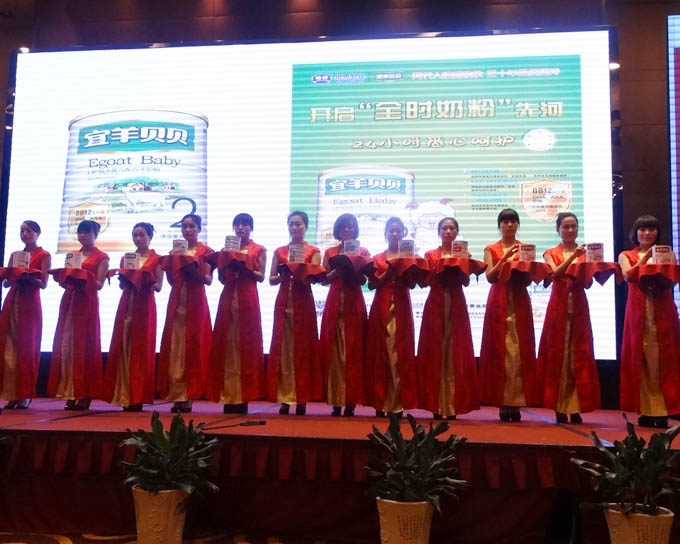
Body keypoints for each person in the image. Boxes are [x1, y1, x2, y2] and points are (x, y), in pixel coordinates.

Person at [537, 213, 600, 424]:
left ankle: (575, 406)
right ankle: (559, 406)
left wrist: (592, 265)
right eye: (566, 227)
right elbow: (554, 274)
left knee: (578, 357)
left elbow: (588, 284)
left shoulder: (585, 253)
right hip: (558, 308)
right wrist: (574, 258)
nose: (570, 230)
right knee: (559, 357)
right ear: (558, 230)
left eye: (573, 226)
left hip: (580, 308)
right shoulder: (550, 253)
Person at [619, 215, 680, 428]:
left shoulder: (667, 254)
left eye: (651, 229)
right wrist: (647, 258)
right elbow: (628, 276)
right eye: (642, 229)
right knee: (641, 360)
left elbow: (673, 280)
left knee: (663, 360)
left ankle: (662, 410)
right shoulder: (626, 255)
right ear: (635, 233)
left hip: (663, 312)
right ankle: (646, 409)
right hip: (637, 314)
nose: (647, 233)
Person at [479, 208, 539, 422]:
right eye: (505, 221)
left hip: (520, 299)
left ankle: (517, 401)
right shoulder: (491, 248)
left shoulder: (525, 248)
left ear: (517, 224)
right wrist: (505, 258)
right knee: (500, 351)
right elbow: (489, 276)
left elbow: (530, 279)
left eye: (513, 221)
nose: (509, 225)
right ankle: (503, 401)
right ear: (499, 225)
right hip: (499, 299)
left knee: (519, 351)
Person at [417, 217, 479, 420]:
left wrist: (458, 269)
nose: (448, 231)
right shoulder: (430, 254)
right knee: (434, 351)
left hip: (456, 303)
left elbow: (466, 282)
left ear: (457, 231)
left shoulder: (464, 253)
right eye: (445, 228)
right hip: (435, 302)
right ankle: (435, 404)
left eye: (452, 228)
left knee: (456, 350)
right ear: (439, 232)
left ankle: (452, 404)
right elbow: (425, 282)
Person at [208, 213, 266, 414]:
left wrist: (245, 268)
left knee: (246, 347)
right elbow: (222, 279)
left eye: (245, 225)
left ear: (251, 228)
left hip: (247, 298)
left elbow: (261, 276)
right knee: (226, 345)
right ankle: (228, 396)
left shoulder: (259, 250)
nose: (241, 228)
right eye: (237, 225)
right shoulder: (226, 250)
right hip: (228, 297)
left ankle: (243, 397)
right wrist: (224, 267)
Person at [48, 220, 109, 410]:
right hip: (69, 300)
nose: (83, 236)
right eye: (80, 232)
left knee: (85, 346)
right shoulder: (73, 255)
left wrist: (83, 277)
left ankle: (85, 393)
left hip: (87, 302)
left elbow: (99, 284)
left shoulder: (102, 257)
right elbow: (65, 281)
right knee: (67, 345)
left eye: (87, 232)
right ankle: (70, 391)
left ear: (95, 234)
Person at [266, 211, 321, 415]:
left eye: (298, 224)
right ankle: (284, 397)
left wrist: (301, 272)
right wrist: (284, 276)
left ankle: (301, 397)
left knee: (302, 350)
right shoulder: (280, 251)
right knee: (284, 349)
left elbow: (316, 276)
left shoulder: (313, 251)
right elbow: (271, 279)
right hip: (283, 302)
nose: (295, 227)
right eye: (292, 224)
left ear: (306, 227)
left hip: (303, 302)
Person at [103, 222, 163, 411]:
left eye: (142, 235)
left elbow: (159, 286)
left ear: (150, 237)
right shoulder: (126, 258)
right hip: (127, 303)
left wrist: (145, 280)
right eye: (135, 235)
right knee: (123, 346)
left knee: (140, 349)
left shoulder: (157, 259)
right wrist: (124, 279)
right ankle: (123, 394)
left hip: (144, 305)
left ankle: (137, 396)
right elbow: (122, 286)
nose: (138, 239)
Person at [157, 214, 213, 413]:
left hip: (196, 301)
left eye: (192, 226)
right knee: (175, 346)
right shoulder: (174, 251)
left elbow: (208, 280)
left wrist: (193, 272)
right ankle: (176, 393)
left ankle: (189, 394)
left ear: (199, 229)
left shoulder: (206, 252)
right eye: (185, 226)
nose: (188, 230)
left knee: (192, 347)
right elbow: (172, 280)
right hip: (176, 300)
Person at [365, 217, 417, 417]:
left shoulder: (410, 256)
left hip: (402, 306)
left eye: (398, 231)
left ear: (404, 233)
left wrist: (407, 267)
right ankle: (381, 402)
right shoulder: (377, 258)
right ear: (386, 233)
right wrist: (390, 271)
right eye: (391, 231)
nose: (395, 234)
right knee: (381, 353)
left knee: (399, 353)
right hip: (381, 306)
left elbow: (412, 284)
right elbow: (372, 285)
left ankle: (397, 403)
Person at [319, 213, 369, 417]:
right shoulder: (330, 252)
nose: (347, 230)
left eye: (351, 226)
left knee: (353, 351)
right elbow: (323, 279)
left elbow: (364, 280)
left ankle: (351, 401)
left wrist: (353, 271)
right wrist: (335, 272)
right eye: (343, 227)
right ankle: (336, 400)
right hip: (334, 302)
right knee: (333, 351)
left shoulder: (363, 251)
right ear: (338, 230)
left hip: (354, 303)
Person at [0, 221, 51, 410]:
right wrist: (10, 276)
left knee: (26, 348)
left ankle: (24, 394)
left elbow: (43, 283)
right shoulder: (15, 255)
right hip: (12, 301)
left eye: (29, 230)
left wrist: (28, 277)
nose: (25, 234)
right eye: (22, 230)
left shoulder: (44, 255)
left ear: (37, 233)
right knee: (8, 348)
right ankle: (10, 394)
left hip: (29, 303)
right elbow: (6, 283)